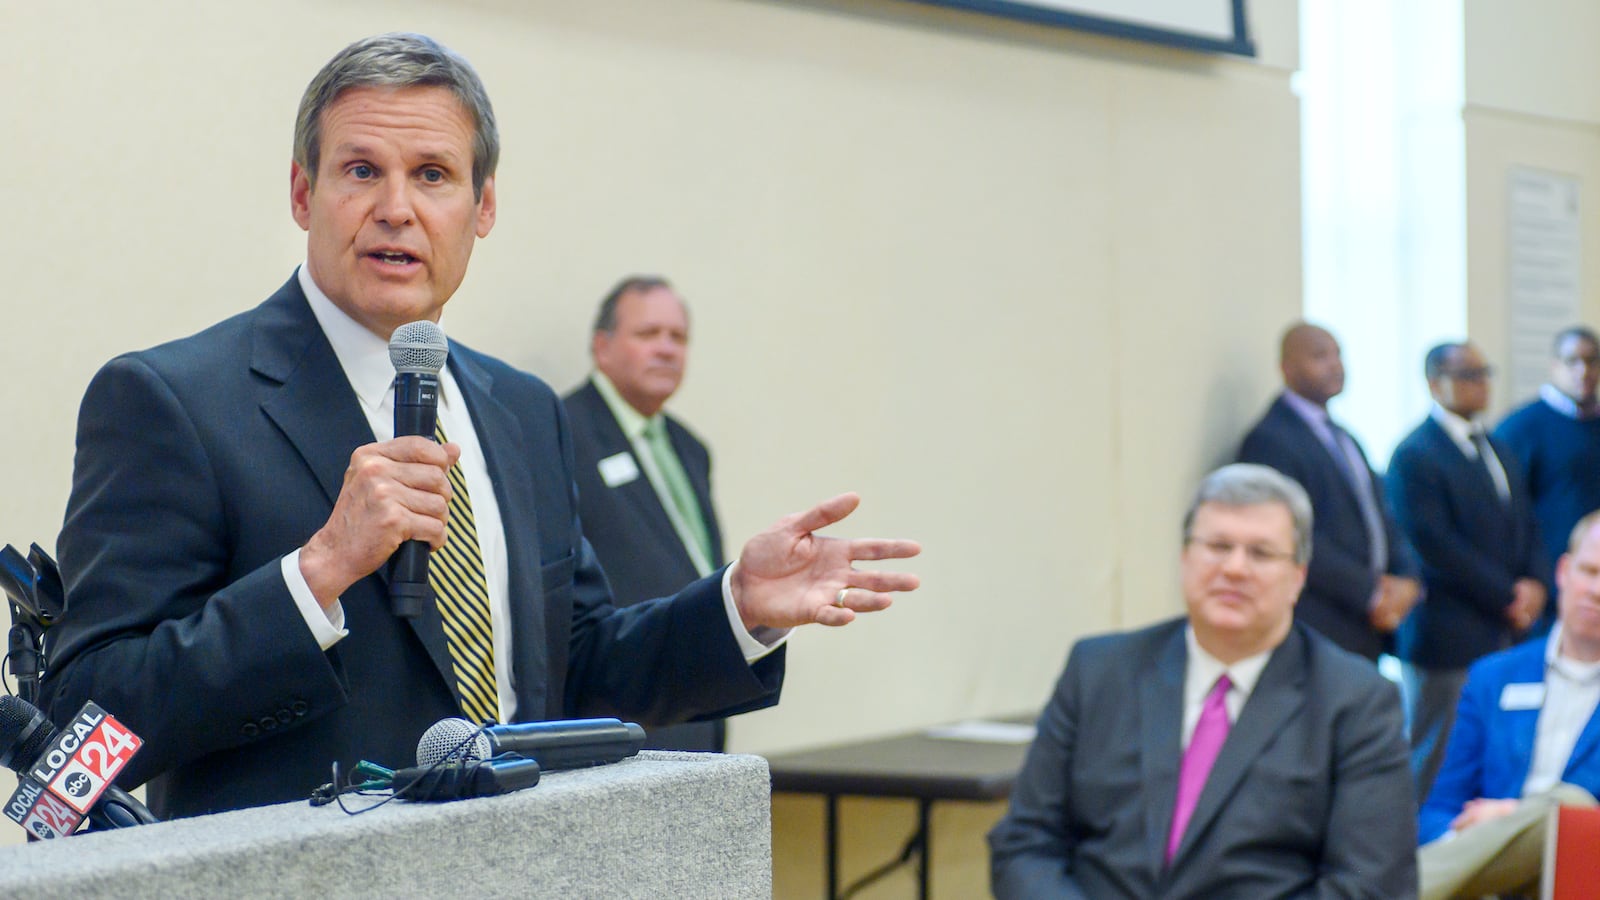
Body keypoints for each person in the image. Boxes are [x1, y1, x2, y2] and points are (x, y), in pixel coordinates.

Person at [38, 33, 920, 820]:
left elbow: (574, 670)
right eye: (360, 171)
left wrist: (734, 609)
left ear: (482, 207)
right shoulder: (173, 400)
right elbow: (83, 737)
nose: (396, 208)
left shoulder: (522, 410)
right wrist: (317, 574)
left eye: (432, 175)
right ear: (304, 193)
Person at [988, 463, 1416, 898]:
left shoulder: (1356, 701)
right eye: (1217, 546)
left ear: (1298, 578)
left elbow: (1369, 885)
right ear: (1184, 557)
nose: (1234, 568)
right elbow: (1025, 843)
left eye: (1261, 553)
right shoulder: (1099, 672)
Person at [565, 276, 727, 751]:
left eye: (678, 338)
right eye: (648, 334)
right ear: (603, 346)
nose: (666, 349)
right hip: (620, 712)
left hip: (700, 703)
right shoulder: (562, 430)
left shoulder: (688, 446)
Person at [1387, 341, 1546, 800]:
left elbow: (1526, 521)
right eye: (1468, 374)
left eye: (1484, 373)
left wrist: (1536, 583)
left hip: (1504, 628)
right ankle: (1419, 853)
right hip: (1448, 630)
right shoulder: (1416, 454)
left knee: (1496, 751)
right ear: (1436, 384)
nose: (1481, 384)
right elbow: (1435, 545)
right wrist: (1508, 594)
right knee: (1436, 752)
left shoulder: (1496, 445)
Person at [1416, 510, 1600, 900]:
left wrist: (1514, 817)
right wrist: (1472, 842)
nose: (1596, 591)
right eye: (1590, 571)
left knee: (1572, 807)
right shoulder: (1493, 677)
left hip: (1583, 880)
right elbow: (1439, 807)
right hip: (1483, 884)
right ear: (1563, 571)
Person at [1237, 322, 1420, 661]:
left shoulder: (1345, 437)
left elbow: (1381, 516)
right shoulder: (1270, 440)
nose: (1334, 365)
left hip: (1366, 626)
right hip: (1318, 623)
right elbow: (1289, 534)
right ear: (1286, 368)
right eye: (1320, 356)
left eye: (1338, 355)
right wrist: (1370, 593)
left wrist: (1405, 579)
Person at [1495, 325, 1600, 627]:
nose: (1584, 370)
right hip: (1546, 591)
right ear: (1554, 365)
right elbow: (1508, 514)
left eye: (1592, 361)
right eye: (1573, 361)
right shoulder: (1520, 428)